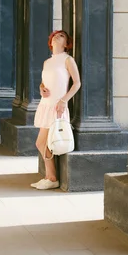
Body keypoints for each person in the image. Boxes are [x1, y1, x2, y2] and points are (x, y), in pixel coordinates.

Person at [30, 30, 81, 190]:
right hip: (46, 104)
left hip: (57, 106)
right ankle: (49, 177)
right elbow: (45, 82)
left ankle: (51, 177)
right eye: (56, 35)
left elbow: (77, 83)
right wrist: (41, 88)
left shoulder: (68, 60)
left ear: (67, 44)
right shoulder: (47, 62)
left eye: (63, 36)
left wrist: (64, 100)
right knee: (43, 142)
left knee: (41, 142)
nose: (58, 36)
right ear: (51, 41)